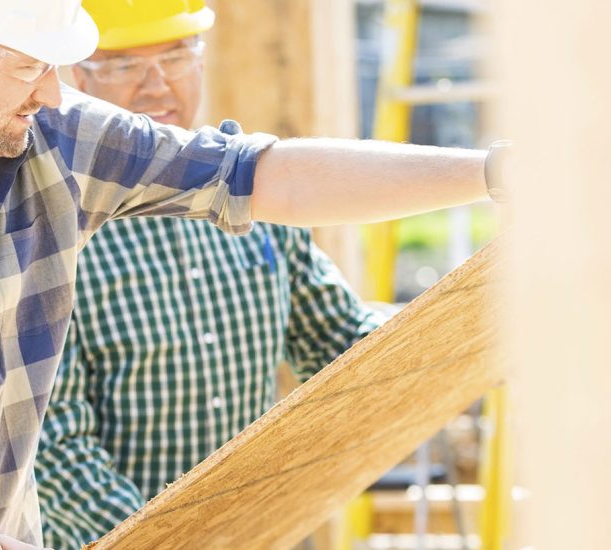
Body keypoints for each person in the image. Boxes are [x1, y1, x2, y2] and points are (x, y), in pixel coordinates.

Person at [0, 0, 495, 548]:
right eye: (33, 67)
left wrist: (489, 172)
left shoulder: (56, 145)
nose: (56, 94)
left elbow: (257, 174)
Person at [34, 2, 387, 548]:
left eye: (176, 55)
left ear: (201, 59)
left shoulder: (259, 197)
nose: (157, 86)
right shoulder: (52, 229)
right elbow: (55, 452)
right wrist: (175, 541)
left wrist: (466, 329)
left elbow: (342, 345)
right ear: (75, 79)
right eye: (126, 65)